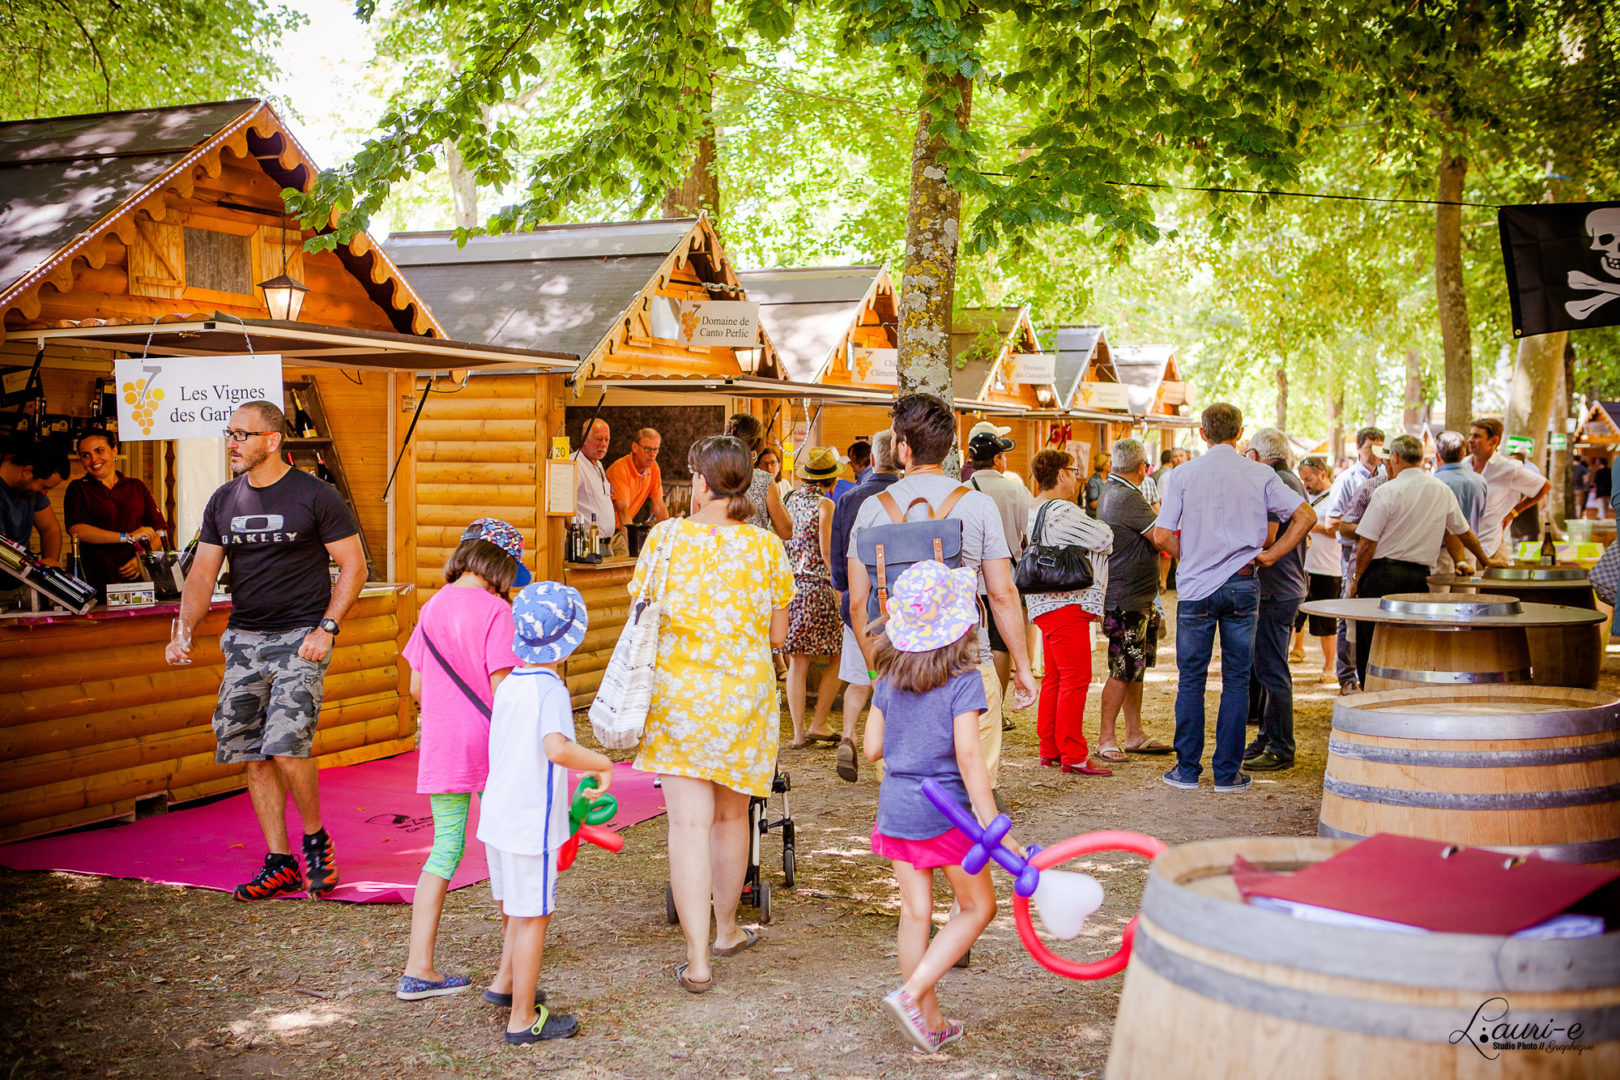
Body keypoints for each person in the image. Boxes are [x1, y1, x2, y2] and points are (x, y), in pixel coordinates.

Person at [165, 401, 366, 900]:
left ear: (272, 440)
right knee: (252, 753)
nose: (231, 442)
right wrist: (183, 627)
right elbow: (202, 574)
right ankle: (279, 862)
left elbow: (354, 567)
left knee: (286, 744)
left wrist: (327, 627)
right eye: (229, 433)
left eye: (241, 434)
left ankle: (316, 839)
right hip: (244, 640)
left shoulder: (316, 496)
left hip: (301, 638)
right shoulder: (223, 500)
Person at [631, 435, 793, 993]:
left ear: (700, 481)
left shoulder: (665, 538)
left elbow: (642, 611)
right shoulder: (768, 548)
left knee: (687, 825)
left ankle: (698, 961)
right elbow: (777, 634)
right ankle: (726, 930)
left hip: (679, 699)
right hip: (743, 699)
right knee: (731, 819)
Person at [862, 560, 1018, 1055]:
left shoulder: (887, 676)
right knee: (978, 906)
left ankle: (928, 1021)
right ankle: (911, 996)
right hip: (943, 811)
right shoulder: (963, 678)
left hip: (897, 805)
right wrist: (992, 823)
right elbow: (970, 756)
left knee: (915, 914)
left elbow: (871, 749)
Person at [847, 394, 1038, 799]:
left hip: (899, 667)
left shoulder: (871, 510)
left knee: (905, 794)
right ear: (950, 447)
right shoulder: (978, 505)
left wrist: (875, 671)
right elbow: (1003, 594)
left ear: (903, 447)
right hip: (969, 662)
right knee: (972, 794)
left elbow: (856, 602)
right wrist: (1022, 666)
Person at [1150, 403, 1314, 794]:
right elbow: (1306, 516)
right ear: (1239, 433)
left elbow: (1160, 535)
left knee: (1191, 680)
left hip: (1195, 589)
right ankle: (1227, 773)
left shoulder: (1183, 474)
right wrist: (1272, 555)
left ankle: (1187, 770)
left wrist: (1191, 554)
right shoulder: (1259, 474)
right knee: (1237, 680)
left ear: (1203, 432)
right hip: (1243, 583)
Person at [396, 519, 527, 1002]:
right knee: (505, 849)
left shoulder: (431, 607)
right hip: (493, 748)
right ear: (499, 564)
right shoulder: (497, 612)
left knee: (445, 849)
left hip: (443, 746)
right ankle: (513, 956)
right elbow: (503, 690)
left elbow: (415, 686)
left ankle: (418, 968)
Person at [477, 580, 604, 1044]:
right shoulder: (550, 688)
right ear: (570, 639)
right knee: (533, 916)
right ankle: (523, 1019)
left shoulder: (508, 683)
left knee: (515, 908)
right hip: (531, 823)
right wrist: (602, 761)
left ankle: (505, 984)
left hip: (497, 816)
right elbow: (557, 748)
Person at [1349, 434, 1504, 681]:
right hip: (1418, 577)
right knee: (1410, 637)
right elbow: (1463, 531)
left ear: (1396, 457)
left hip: (1382, 575)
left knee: (1373, 636)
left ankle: (1371, 689)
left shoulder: (1388, 491)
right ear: (1421, 458)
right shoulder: (1440, 490)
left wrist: (1357, 577)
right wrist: (1485, 560)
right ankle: (1404, 686)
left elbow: (1368, 542)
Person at [1025, 448, 1114, 774]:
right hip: (1067, 602)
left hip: (1043, 602)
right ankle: (1073, 753)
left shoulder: (1033, 509)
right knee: (1076, 679)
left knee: (1055, 678)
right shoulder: (1063, 511)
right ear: (1061, 474)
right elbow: (1104, 537)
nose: (1077, 477)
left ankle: (1050, 746)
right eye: (1073, 471)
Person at [829, 429, 901, 782]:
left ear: (871, 460)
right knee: (892, 677)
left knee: (861, 674)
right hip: (899, 604)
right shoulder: (903, 496)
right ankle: (886, 750)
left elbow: (839, 560)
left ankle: (848, 736)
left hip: (858, 602)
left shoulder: (850, 499)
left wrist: (843, 590)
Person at [1096, 438, 1172, 760]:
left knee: (1134, 667)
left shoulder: (1114, 490)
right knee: (1122, 668)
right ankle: (1106, 738)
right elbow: (1161, 537)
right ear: (1143, 468)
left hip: (1134, 596)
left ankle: (1134, 732)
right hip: (1125, 598)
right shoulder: (1127, 495)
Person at [1241, 429, 1308, 773]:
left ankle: (1281, 745)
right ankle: (1268, 736)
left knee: (1271, 668)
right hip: (1284, 585)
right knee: (1267, 667)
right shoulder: (1287, 478)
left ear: (1255, 454)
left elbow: (1268, 535)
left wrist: (1266, 555)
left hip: (1277, 588)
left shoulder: (1273, 479)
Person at [779, 447, 844, 748]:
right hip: (817, 587)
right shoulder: (825, 505)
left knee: (797, 664)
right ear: (830, 479)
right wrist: (840, 585)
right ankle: (819, 721)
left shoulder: (789, 499)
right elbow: (827, 551)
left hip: (791, 587)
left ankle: (797, 733)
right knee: (838, 656)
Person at [964, 425, 1033, 708]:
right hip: (1008, 577)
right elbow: (1028, 535)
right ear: (997, 459)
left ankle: (976, 705)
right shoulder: (1017, 491)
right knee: (1000, 645)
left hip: (971, 579)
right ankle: (998, 707)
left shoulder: (963, 491)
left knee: (973, 647)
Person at [1323, 426, 1385, 694]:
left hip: (1379, 556)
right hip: (1352, 553)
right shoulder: (1347, 480)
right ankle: (1346, 676)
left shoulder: (1386, 477)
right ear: (1359, 448)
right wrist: (1368, 528)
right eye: (1371, 447)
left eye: (1381, 447)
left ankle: (1369, 673)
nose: (1376, 453)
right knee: (1348, 614)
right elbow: (1331, 522)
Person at [65, 428, 166, 592]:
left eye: (99, 451)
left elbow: (159, 532)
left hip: (138, 581)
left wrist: (142, 559)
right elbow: (77, 530)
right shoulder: (78, 489)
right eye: (86, 455)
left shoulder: (136, 487)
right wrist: (128, 537)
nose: (93, 459)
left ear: (114, 451)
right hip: (96, 580)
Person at [1465, 417, 1551, 559]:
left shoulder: (1508, 469)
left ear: (1494, 441)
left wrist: (1514, 512)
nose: (1470, 440)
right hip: (1464, 547)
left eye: (1477, 436)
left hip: (1491, 547)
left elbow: (1544, 486)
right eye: (1470, 435)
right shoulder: (1463, 465)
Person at [1296, 456, 1340, 682]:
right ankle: (1296, 650)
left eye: (1309, 479)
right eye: (1303, 479)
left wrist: (1312, 525)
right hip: (1304, 565)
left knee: (1326, 623)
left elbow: (1337, 529)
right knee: (1295, 615)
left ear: (1323, 473)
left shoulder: (1336, 497)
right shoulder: (1306, 497)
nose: (1306, 484)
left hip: (1328, 567)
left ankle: (1329, 666)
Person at [724, 412, 792, 539]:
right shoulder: (764, 480)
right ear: (758, 444)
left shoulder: (706, 477)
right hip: (753, 554)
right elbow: (786, 531)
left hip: (716, 554)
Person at [0, 439, 68, 565]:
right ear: (27, 471)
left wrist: (50, 563)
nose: (45, 494)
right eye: (44, 487)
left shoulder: (30, 489)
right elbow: (3, 553)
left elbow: (49, 529)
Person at [606, 427, 670, 539]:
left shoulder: (654, 467)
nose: (652, 454)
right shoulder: (620, 468)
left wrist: (669, 537)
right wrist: (633, 545)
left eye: (656, 450)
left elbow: (659, 506)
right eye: (647, 449)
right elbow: (623, 511)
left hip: (623, 530)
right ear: (635, 447)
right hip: (608, 532)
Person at [572, 418, 617, 556]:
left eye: (607, 439)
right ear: (585, 439)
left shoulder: (599, 464)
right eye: (599, 439)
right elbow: (563, 509)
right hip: (587, 546)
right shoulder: (574, 463)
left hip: (606, 544)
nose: (603, 444)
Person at [1083, 451, 1110, 516]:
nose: (1113, 465)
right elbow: (1093, 504)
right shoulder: (1094, 481)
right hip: (1095, 518)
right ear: (1103, 464)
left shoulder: (1110, 479)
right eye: (1110, 462)